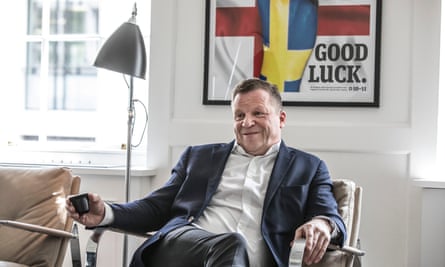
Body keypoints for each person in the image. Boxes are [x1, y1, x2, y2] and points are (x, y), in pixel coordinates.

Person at [66, 78, 346, 267]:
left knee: (234, 249)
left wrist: (322, 224)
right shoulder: (199, 157)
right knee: (232, 245)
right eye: (239, 115)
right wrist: (106, 213)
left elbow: (328, 213)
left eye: (258, 113)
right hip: (181, 246)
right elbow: (156, 206)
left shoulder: (308, 167)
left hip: (252, 260)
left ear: (280, 118)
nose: (247, 122)